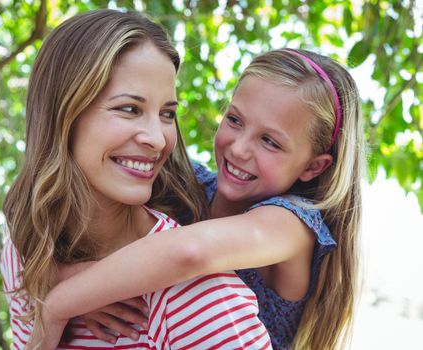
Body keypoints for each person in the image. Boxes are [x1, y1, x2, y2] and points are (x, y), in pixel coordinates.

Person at [41, 48, 365, 350]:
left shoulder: (294, 224)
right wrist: (66, 272)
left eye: (269, 141)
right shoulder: (190, 185)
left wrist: (61, 301)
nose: (239, 148)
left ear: (313, 166)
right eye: (235, 120)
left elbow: (190, 252)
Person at [0, 9, 271, 350]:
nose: (158, 140)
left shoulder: (195, 294)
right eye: (129, 109)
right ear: (64, 113)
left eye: (167, 114)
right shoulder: (26, 249)